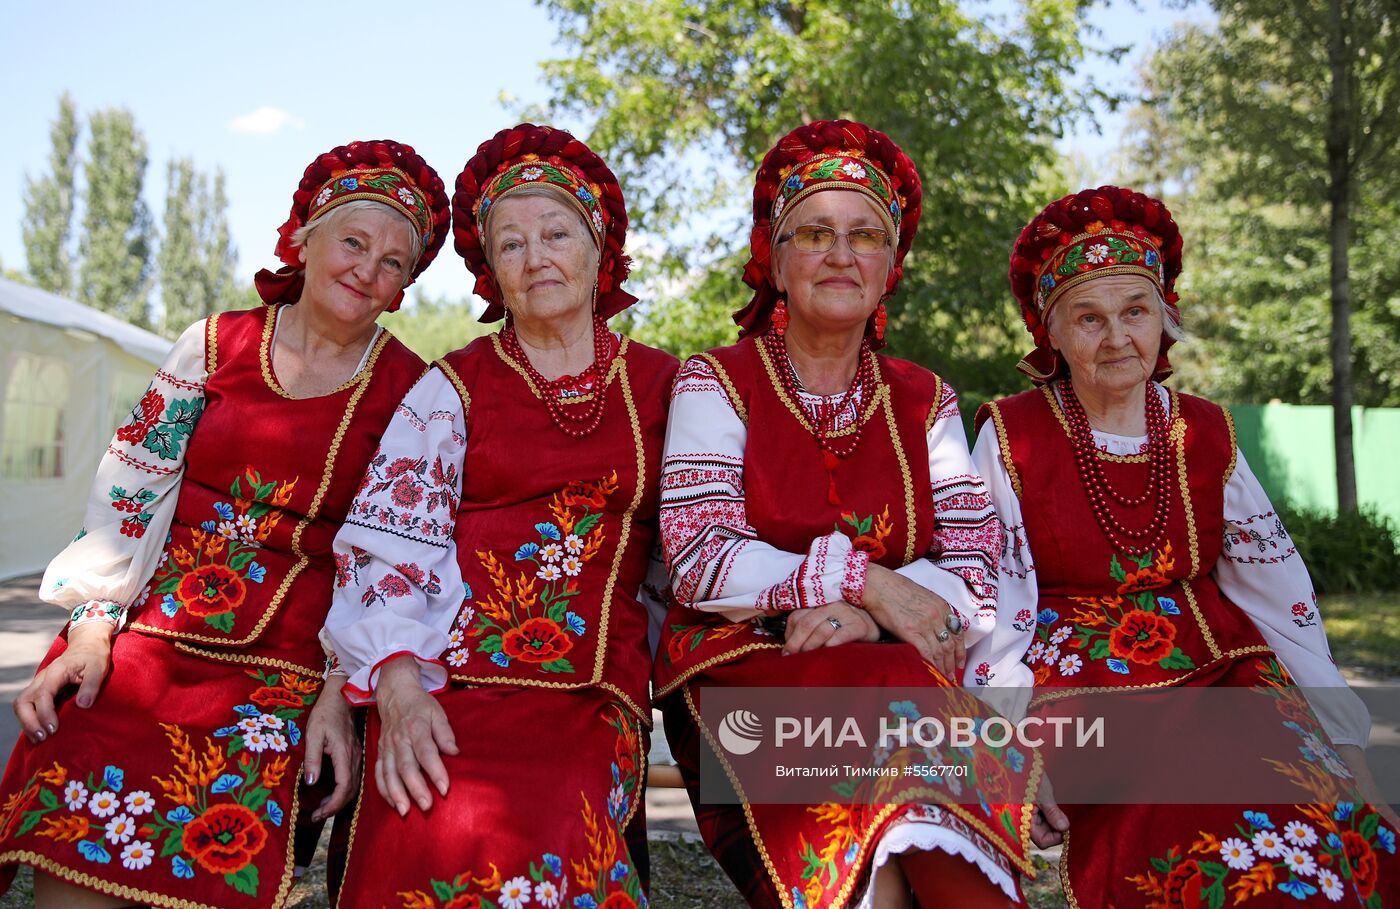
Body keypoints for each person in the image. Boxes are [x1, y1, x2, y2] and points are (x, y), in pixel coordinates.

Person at [0, 139, 449, 908]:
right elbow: (131, 487)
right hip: (152, 636)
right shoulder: (212, 344)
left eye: (393, 262)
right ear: (303, 238)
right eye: (352, 241)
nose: (367, 270)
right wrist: (92, 624)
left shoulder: (415, 391)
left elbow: (387, 559)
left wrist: (341, 689)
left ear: (404, 287)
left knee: (226, 849)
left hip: (290, 667)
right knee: (85, 756)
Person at [653, 120, 1061, 909]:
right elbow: (700, 552)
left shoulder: (925, 398)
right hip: (746, 663)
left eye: (865, 234)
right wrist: (865, 585)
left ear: (890, 266)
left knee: (892, 689)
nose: (841, 253)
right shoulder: (717, 380)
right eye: (814, 232)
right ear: (774, 259)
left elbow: (977, 557)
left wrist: (869, 616)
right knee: (893, 698)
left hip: (890, 664)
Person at [973, 184, 1399, 906]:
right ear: (1052, 334)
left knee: (1327, 818)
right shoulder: (1011, 434)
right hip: (1081, 687)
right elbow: (992, 601)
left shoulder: (1204, 432)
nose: (1116, 338)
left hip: (1222, 669)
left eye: (1135, 312)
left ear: (1162, 320)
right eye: (1090, 317)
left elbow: (1277, 593)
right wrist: (1008, 743)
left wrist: (1345, 742)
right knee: (1184, 826)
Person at [318, 123, 679, 907]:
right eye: (510, 244)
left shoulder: (668, 387)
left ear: (600, 251)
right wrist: (400, 682)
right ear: (493, 273)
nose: (536, 256)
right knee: (423, 805)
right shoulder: (452, 387)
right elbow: (387, 545)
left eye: (556, 233)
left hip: (588, 690)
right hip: (444, 678)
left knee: (551, 810)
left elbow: (698, 542)